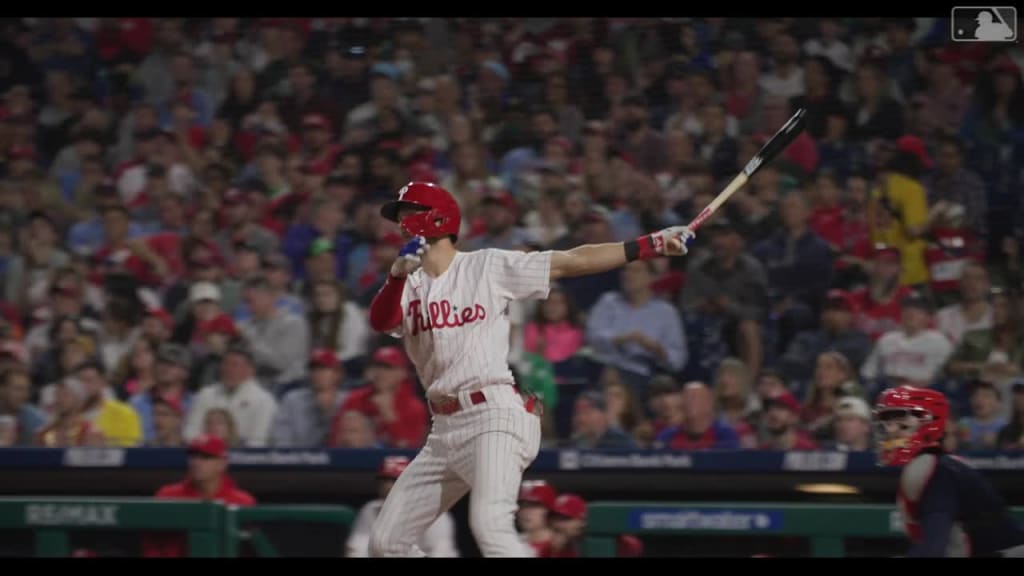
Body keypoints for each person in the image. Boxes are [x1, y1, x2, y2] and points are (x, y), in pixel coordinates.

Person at [365, 181, 694, 557]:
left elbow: (571, 261)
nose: (402, 223)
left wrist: (648, 245)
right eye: (401, 216)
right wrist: (395, 278)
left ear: (437, 217)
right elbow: (382, 321)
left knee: (490, 526)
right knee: (385, 543)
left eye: (409, 212)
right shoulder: (407, 283)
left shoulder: (486, 266)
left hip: (494, 415)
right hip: (444, 429)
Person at [873, 386, 1024, 557]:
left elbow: (933, 549)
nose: (890, 429)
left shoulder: (935, 469)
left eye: (900, 420)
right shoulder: (935, 464)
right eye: (887, 420)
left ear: (929, 423)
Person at [144, 434, 256, 557]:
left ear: (222, 463)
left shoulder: (242, 501)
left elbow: (250, 550)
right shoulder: (167, 495)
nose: (196, 462)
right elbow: (152, 547)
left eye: (205, 457)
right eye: (193, 456)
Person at [346, 456, 459, 558]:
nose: (388, 486)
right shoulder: (371, 510)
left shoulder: (433, 512)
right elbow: (357, 550)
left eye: (395, 480)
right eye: (384, 480)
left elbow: (441, 553)